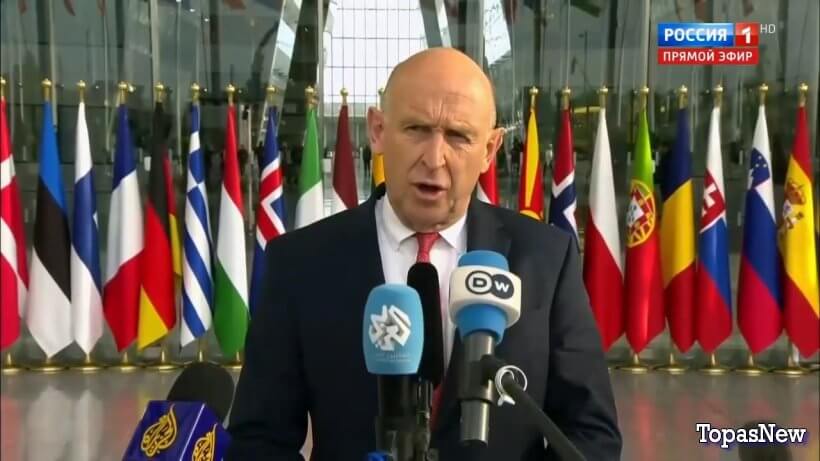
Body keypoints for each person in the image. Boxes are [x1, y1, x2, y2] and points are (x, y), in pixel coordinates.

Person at [226, 48, 621, 460]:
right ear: (377, 131)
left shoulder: (546, 258)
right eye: (416, 129)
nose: (434, 159)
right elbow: (259, 441)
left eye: (458, 136)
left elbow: (590, 432)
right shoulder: (300, 264)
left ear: (490, 150)